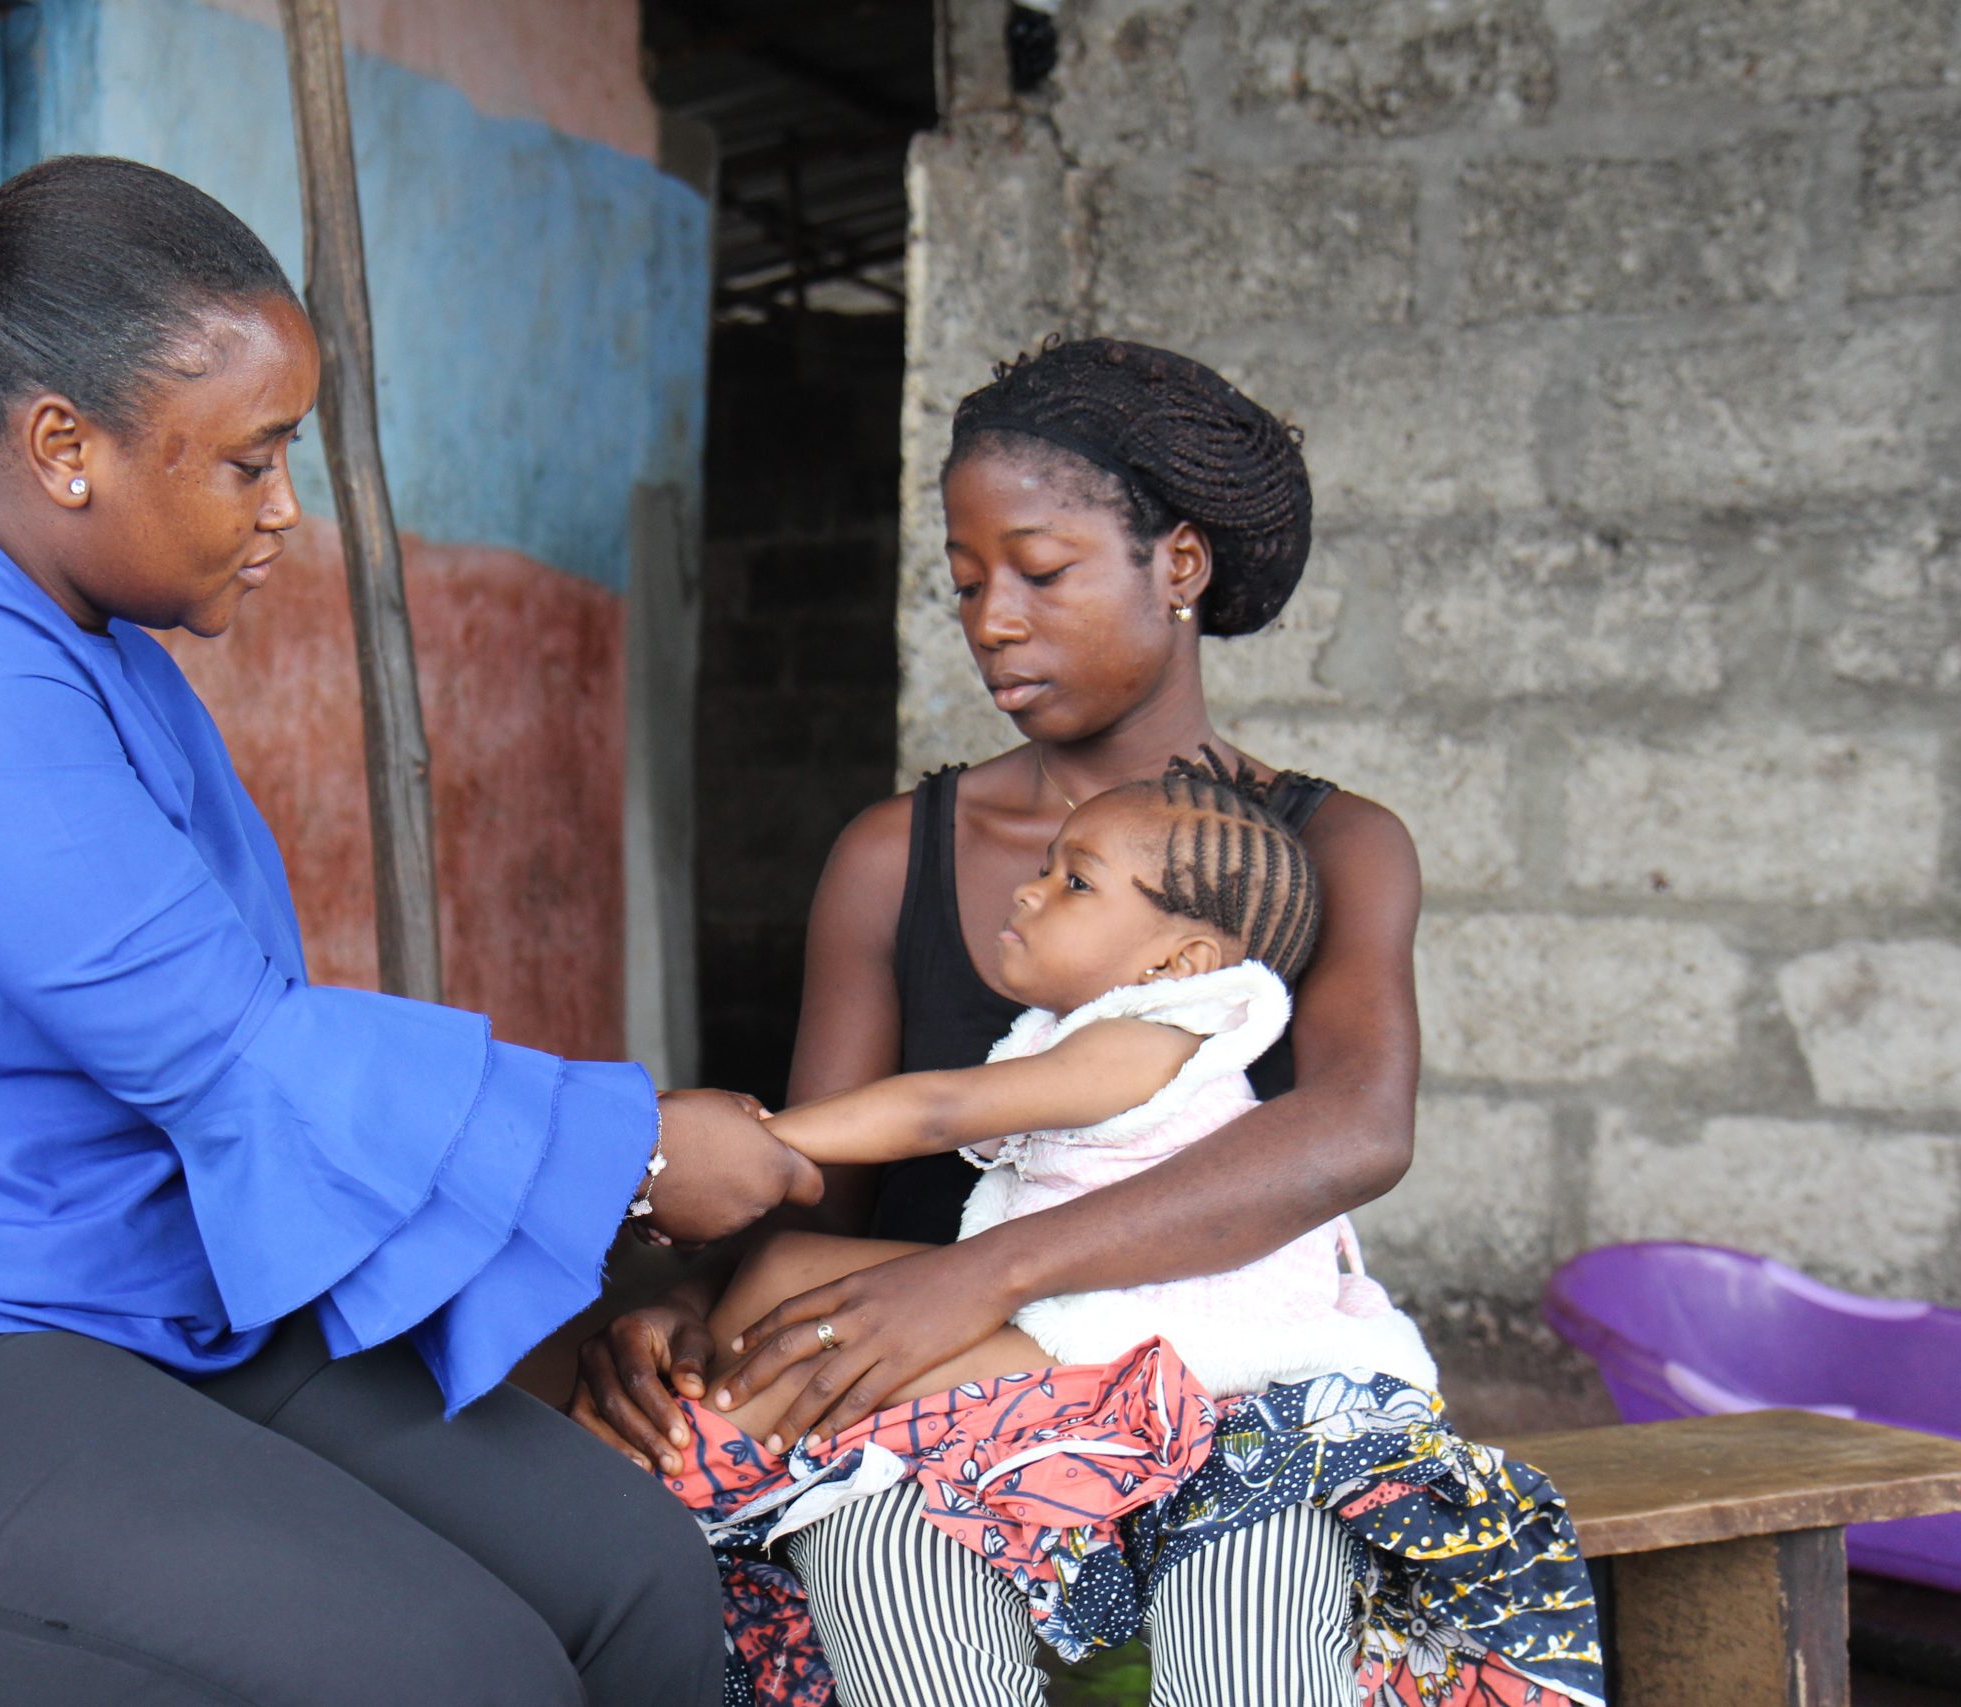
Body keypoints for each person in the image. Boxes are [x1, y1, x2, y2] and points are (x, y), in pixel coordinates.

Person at [0, 138, 818, 1707]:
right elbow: (221, 1044)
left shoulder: (112, 661)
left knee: (631, 1572)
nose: (287, 508)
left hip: (126, 1310)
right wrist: (627, 1151)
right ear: (65, 444)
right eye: (251, 458)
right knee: (447, 1669)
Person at [573, 339, 1595, 1707]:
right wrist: (688, 1315)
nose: (993, 620)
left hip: (1224, 1396)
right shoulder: (892, 855)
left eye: (1042, 572)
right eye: (966, 582)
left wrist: (985, 1274)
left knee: (1255, 1604)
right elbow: (816, 1187)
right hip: (937, 1400)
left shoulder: (1331, 847)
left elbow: (1353, 1129)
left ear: (1179, 565)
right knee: (876, 1560)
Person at [651, 766, 1593, 1707]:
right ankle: (700, 1452)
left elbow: (939, 1109)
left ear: (1179, 961)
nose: (1031, 891)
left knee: (826, 1333)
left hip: (1178, 1352)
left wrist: (752, 1139)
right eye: (1046, 868)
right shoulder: (1083, 1028)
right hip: (1099, 1329)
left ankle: (696, 1466)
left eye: (1076, 881)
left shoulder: (1150, 1036)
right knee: (796, 1283)